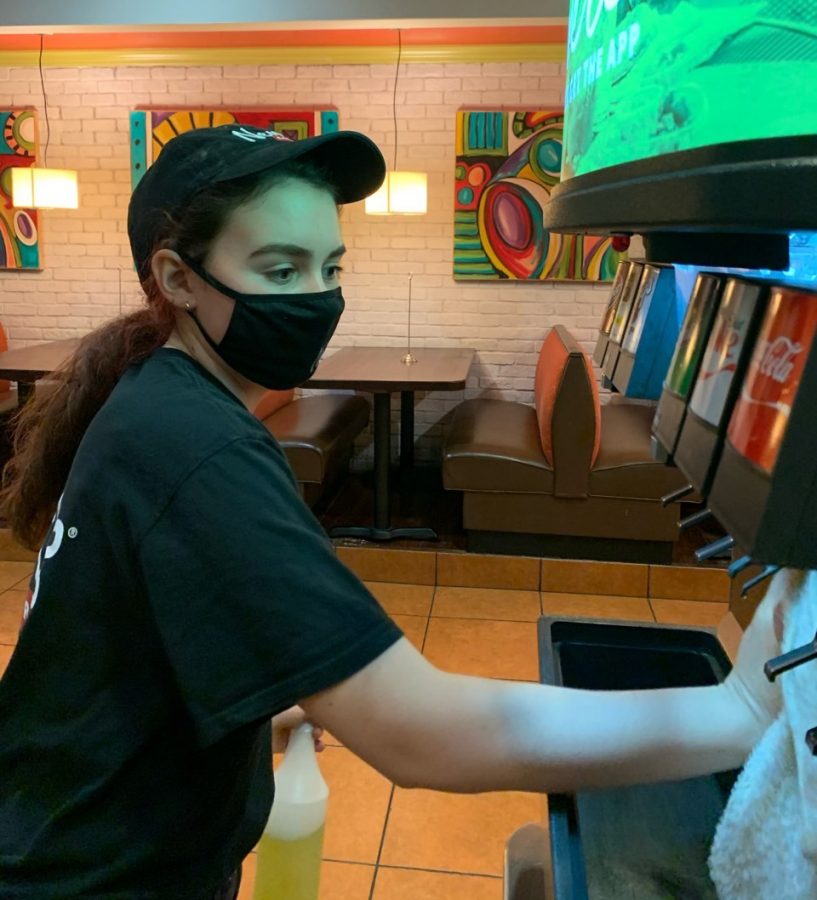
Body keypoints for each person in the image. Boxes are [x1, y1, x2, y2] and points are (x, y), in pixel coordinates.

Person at [0, 123, 788, 899]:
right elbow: (428, 736)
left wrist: (267, 703)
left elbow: (127, 651)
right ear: (176, 279)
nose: (315, 297)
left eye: (329, 266)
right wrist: (738, 710)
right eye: (280, 270)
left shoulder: (154, 402)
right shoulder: (195, 447)